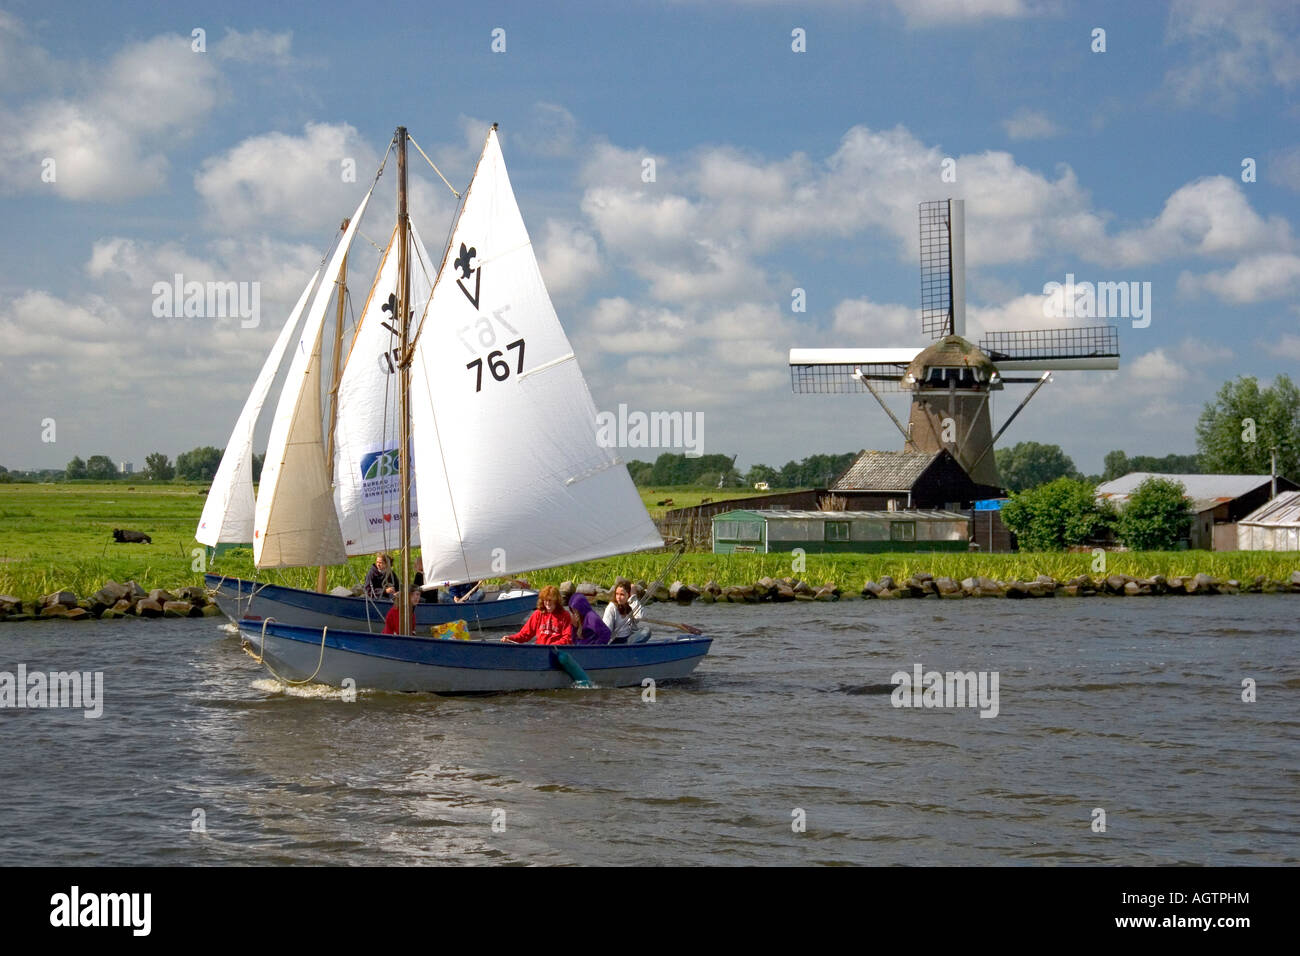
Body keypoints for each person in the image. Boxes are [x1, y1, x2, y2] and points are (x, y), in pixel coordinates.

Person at [501, 586, 572, 645]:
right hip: (539, 650)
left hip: (556, 652)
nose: (547, 603)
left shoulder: (565, 615)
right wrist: (510, 638)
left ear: (556, 600)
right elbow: (524, 634)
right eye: (545, 600)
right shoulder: (538, 614)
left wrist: (552, 646)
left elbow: (567, 638)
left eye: (550, 600)